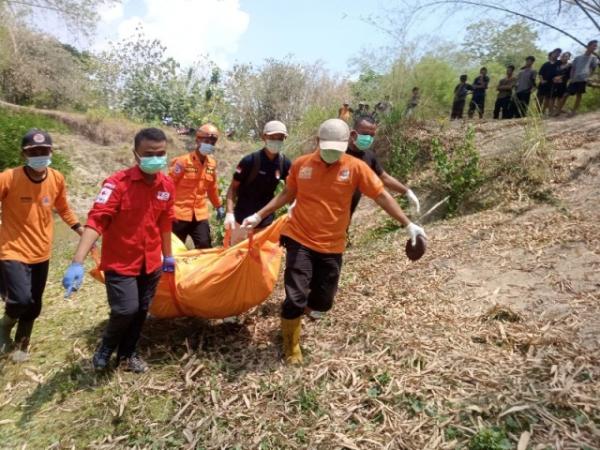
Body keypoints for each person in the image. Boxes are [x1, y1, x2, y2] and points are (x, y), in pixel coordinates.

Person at [240, 119, 427, 365]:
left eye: (336, 149)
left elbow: (380, 194)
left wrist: (407, 223)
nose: (331, 154)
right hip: (300, 237)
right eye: (326, 148)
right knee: (295, 297)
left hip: (333, 244)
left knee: (322, 303)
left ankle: (304, 308)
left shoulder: (356, 167)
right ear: (318, 142)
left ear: (347, 141)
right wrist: (258, 215)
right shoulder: (301, 165)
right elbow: (287, 194)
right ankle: (290, 346)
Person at [62, 128, 175, 373]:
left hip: (151, 262)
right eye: (149, 153)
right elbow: (96, 221)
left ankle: (128, 355)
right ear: (136, 154)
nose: (156, 158)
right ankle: (106, 348)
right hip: (121, 262)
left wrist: (168, 256)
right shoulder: (117, 184)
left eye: (161, 153)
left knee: (142, 310)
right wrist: (77, 262)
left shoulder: (166, 185)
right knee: (125, 309)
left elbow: (166, 222)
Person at [0, 129, 83, 361]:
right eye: (33, 151)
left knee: (35, 304)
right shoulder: (8, 178)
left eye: (44, 150)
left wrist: (79, 228)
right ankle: (4, 326)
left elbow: (63, 208)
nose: (39, 155)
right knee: (20, 300)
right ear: (24, 154)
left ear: (51, 152)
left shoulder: (56, 178)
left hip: (41, 252)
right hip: (12, 249)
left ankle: (21, 344)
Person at [225, 121, 292, 246]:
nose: (276, 141)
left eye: (280, 138)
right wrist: (229, 213)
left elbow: (290, 190)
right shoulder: (249, 161)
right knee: (237, 257)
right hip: (242, 220)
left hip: (265, 222)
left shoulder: (285, 163)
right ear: (263, 137)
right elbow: (233, 188)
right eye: (272, 137)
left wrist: (293, 210)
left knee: (260, 259)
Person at [347, 116, 420, 218]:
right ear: (353, 133)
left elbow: (385, 178)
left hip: (346, 216)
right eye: (365, 134)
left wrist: (407, 191)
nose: (368, 138)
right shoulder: (338, 152)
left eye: (372, 135)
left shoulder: (369, 157)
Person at [169, 123, 225, 249]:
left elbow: (212, 187)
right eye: (206, 140)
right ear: (197, 140)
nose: (209, 144)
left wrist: (218, 206)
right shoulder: (183, 161)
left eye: (212, 142)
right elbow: (169, 184)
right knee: (174, 248)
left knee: (205, 245)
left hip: (200, 214)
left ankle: (203, 269)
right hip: (179, 213)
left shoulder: (211, 164)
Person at [558, 40, 598, 116]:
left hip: (583, 79)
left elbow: (593, 69)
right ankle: (558, 111)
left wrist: (589, 77)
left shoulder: (593, 58)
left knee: (579, 95)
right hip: (574, 79)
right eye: (594, 45)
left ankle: (573, 112)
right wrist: (571, 77)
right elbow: (573, 68)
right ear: (588, 46)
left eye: (596, 46)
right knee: (566, 94)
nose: (595, 47)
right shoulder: (578, 58)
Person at [537, 48, 562, 115]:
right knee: (540, 98)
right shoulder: (545, 64)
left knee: (548, 98)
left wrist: (558, 77)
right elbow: (540, 74)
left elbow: (563, 71)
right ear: (552, 53)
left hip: (552, 84)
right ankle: (538, 112)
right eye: (556, 53)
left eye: (558, 53)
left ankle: (543, 111)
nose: (557, 54)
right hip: (543, 83)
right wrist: (542, 81)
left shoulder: (559, 63)